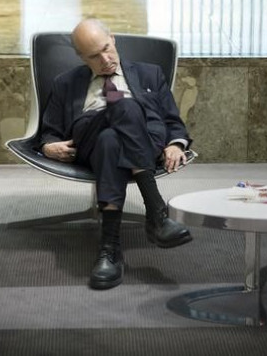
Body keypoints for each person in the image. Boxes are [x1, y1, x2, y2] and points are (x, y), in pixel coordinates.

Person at [39, 18, 193, 290]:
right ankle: (157, 214)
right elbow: (49, 131)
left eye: (107, 48)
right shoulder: (66, 83)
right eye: (94, 56)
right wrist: (48, 146)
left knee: (112, 137)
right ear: (80, 57)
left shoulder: (150, 74)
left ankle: (109, 250)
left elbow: (172, 121)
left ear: (113, 38)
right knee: (125, 108)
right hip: (87, 138)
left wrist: (176, 144)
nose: (105, 60)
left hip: (139, 140)